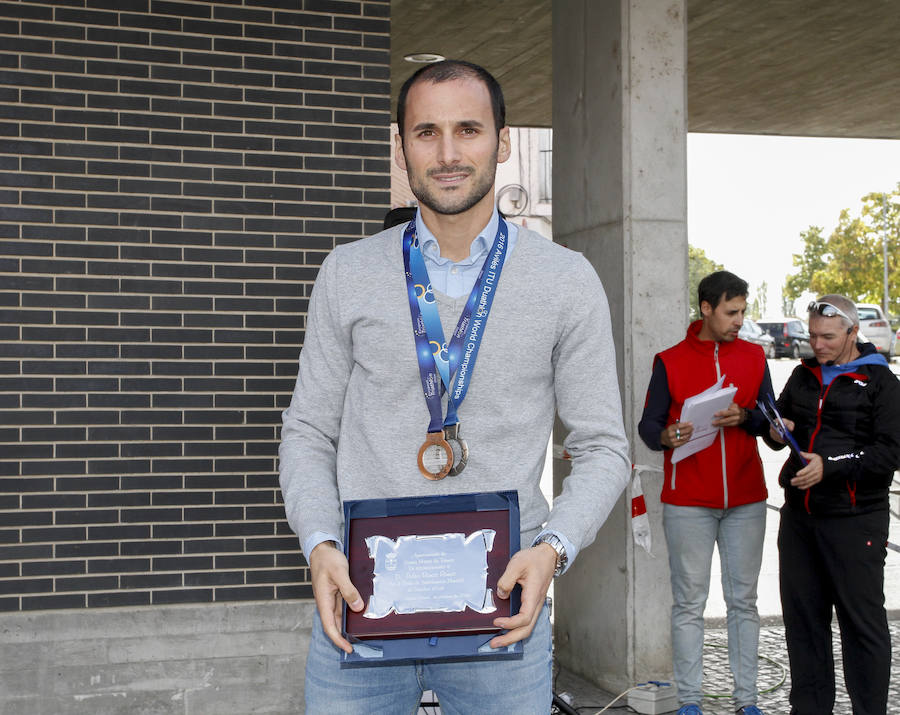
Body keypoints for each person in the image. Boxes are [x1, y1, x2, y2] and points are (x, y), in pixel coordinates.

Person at [279, 59, 630, 714]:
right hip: (359, 603)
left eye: (467, 130)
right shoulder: (346, 273)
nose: (446, 153)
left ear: (502, 142)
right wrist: (319, 543)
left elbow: (605, 448)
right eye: (425, 132)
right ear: (401, 145)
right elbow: (307, 431)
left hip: (502, 609)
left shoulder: (565, 280)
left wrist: (553, 549)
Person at [638, 270, 774, 715]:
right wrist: (668, 435)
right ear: (707, 308)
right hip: (688, 501)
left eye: (743, 311)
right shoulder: (670, 360)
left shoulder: (755, 357)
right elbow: (649, 426)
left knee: (743, 602)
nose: (739, 320)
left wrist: (747, 417)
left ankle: (748, 703)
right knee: (689, 604)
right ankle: (691, 703)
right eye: (731, 312)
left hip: (746, 498)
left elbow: (772, 428)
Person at [765, 295, 899, 715]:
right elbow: (781, 423)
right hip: (800, 520)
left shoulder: (882, 382)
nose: (817, 345)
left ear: (853, 333)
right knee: (803, 626)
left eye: (827, 337)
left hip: (856, 521)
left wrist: (832, 466)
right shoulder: (803, 375)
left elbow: (890, 454)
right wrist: (774, 430)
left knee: (862, 627)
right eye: (812, 336)